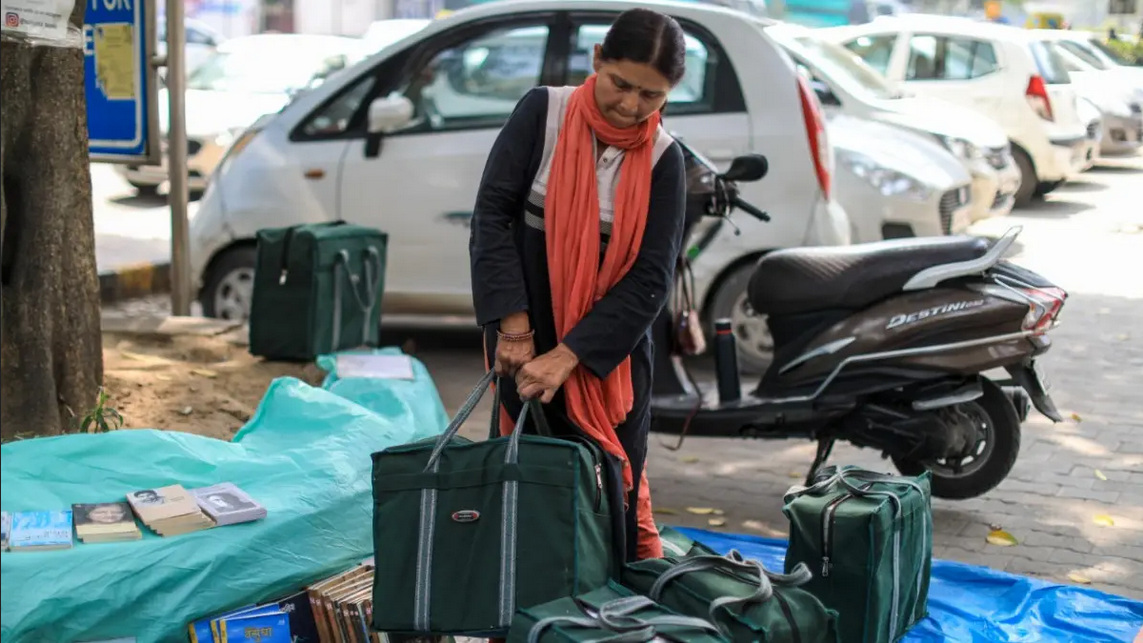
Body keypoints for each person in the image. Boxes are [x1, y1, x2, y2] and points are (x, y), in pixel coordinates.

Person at [469, 7, 689, 562]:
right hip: (525, 350)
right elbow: (492, 217)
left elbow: (650, 279)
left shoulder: (665, 159)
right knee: (524, 496)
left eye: (652, 96)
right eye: (622, 84)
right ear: (597, 61)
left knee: (610, 498)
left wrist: (568, 357)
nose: (631, 106)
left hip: (606, 365)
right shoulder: (544, 112)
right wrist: (516, 334)